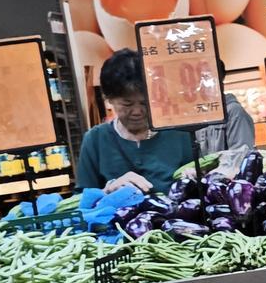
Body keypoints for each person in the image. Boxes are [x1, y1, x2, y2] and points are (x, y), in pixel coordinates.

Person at [75, 49, 191, 194]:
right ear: (109, 99)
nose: (137, 111)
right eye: (127, 104)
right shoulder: (95, 140)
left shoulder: (179, 134)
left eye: (144, 103)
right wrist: (108, 191)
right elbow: (81, 200)